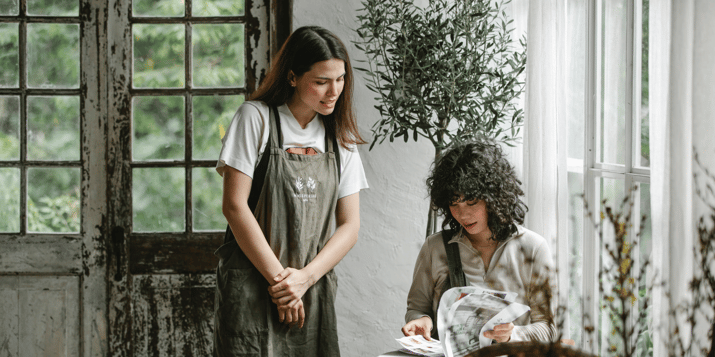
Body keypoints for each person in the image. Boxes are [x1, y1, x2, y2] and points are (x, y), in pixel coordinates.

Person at [213, 26, 368, 356]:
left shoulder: (340, 137)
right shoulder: (255, 119)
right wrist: (282, 283)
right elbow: (235, 207)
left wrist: (304, 280)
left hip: (312, 286)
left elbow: (350, 226)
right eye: (321, 81)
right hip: (253, 284)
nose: (333, 91)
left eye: (340, 79)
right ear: (293, 77)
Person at [402, 139, 556, 344]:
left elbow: (551, 328)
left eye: (471, 201)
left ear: (494, 197)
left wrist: (512, 334)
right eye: (453, 203)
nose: (462, 214)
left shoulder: (533, 248)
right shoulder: (435, 247)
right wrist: (421, 320)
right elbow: (416, 308)